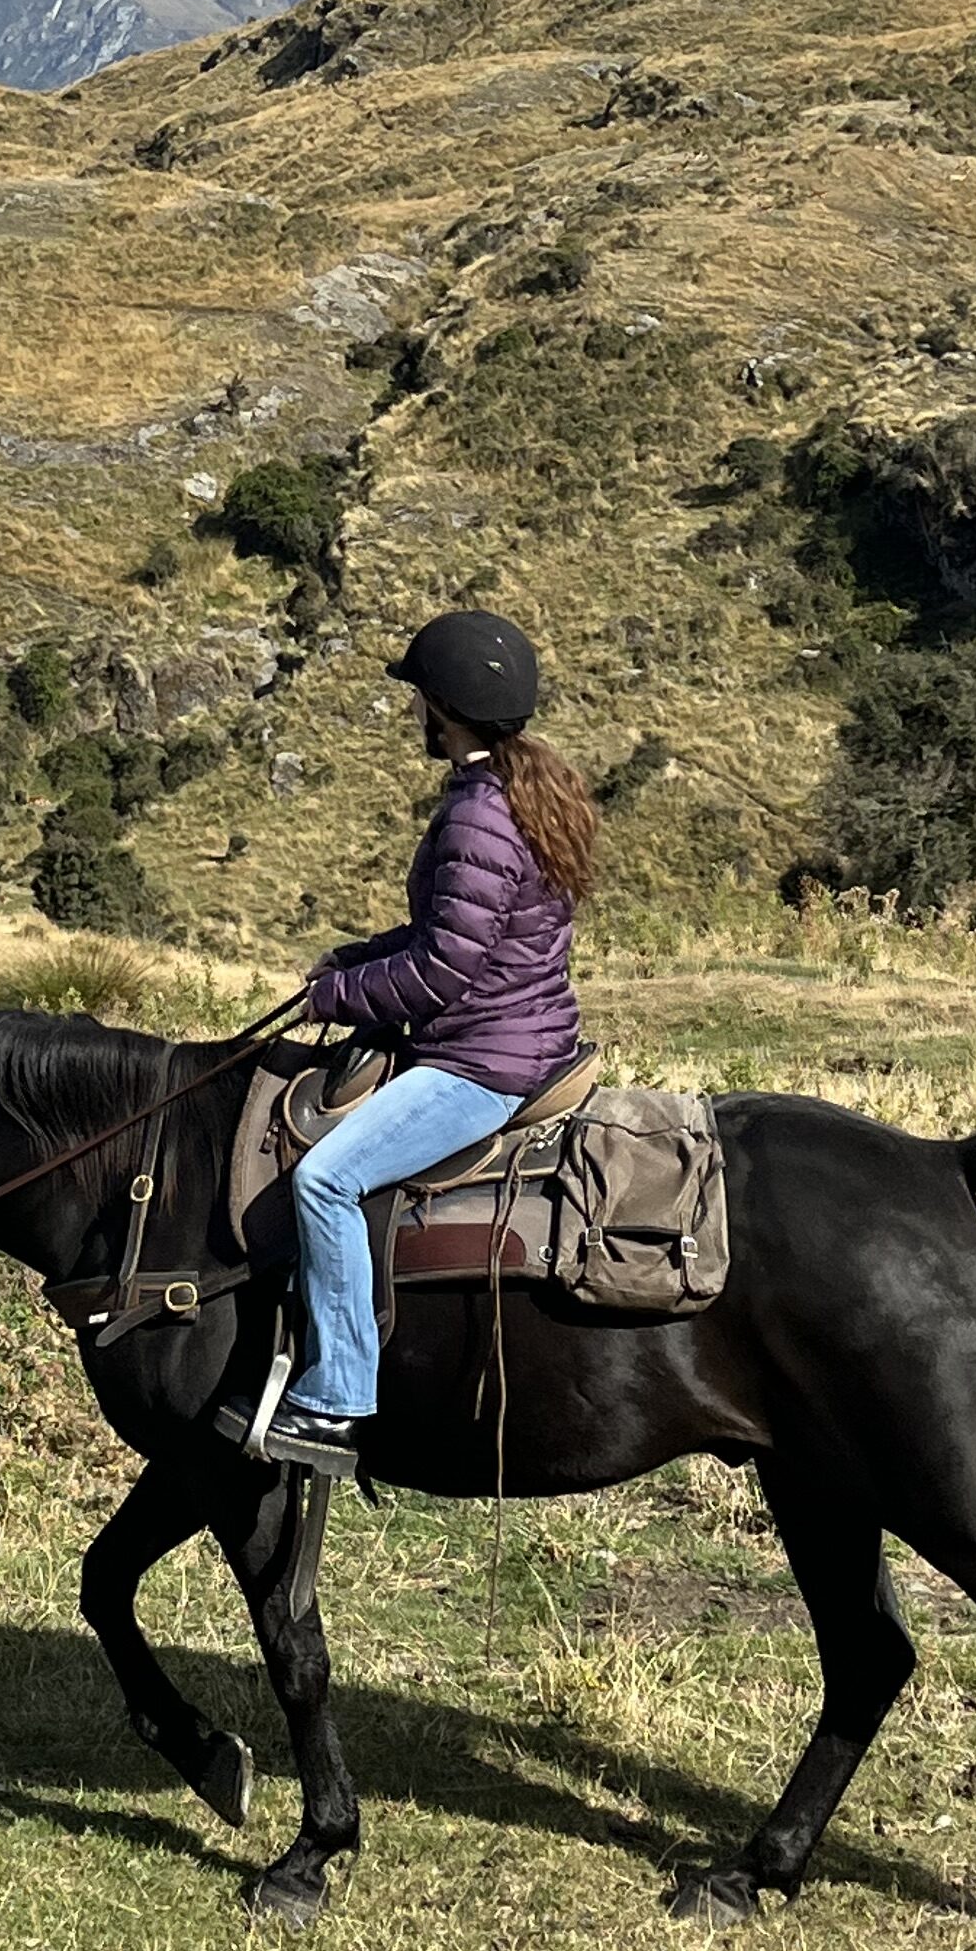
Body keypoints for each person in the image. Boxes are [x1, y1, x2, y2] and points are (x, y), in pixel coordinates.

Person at [233, 607, 599, 1474]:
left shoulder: (480, 817)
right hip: (519, 1032)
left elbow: (441, 976)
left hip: (484, 1061)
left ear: (443, 707)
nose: (417, 716)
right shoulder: (521, 788)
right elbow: (453, 933)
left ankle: (337, 1400)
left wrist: (332, 994)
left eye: (422, 700)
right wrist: (359, 960)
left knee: (326, 1178)